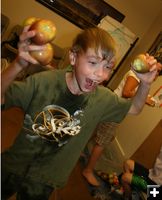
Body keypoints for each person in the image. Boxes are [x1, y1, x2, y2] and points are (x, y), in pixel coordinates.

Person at [1, 24, 160, 200]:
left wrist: (145, 84)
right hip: (12, 165)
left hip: (46, 180)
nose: (101, 74)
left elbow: (135, 108)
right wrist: (18, 64)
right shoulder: (43, 82)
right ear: (73, 57)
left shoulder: (103, 99)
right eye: (93, 62)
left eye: (108, 67)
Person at [82, 63, 162, 187]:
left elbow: (132, 94)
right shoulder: (136, 77)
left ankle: (80, 150)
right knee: (103, 142)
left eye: (158, 72)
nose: (156, 74)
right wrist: (144, 99)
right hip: (114, 111)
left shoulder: (138, 77)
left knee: (101, 134)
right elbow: (126, 93)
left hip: (112, 108)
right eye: (156, 70)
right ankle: (88, 170)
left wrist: (145, 96)